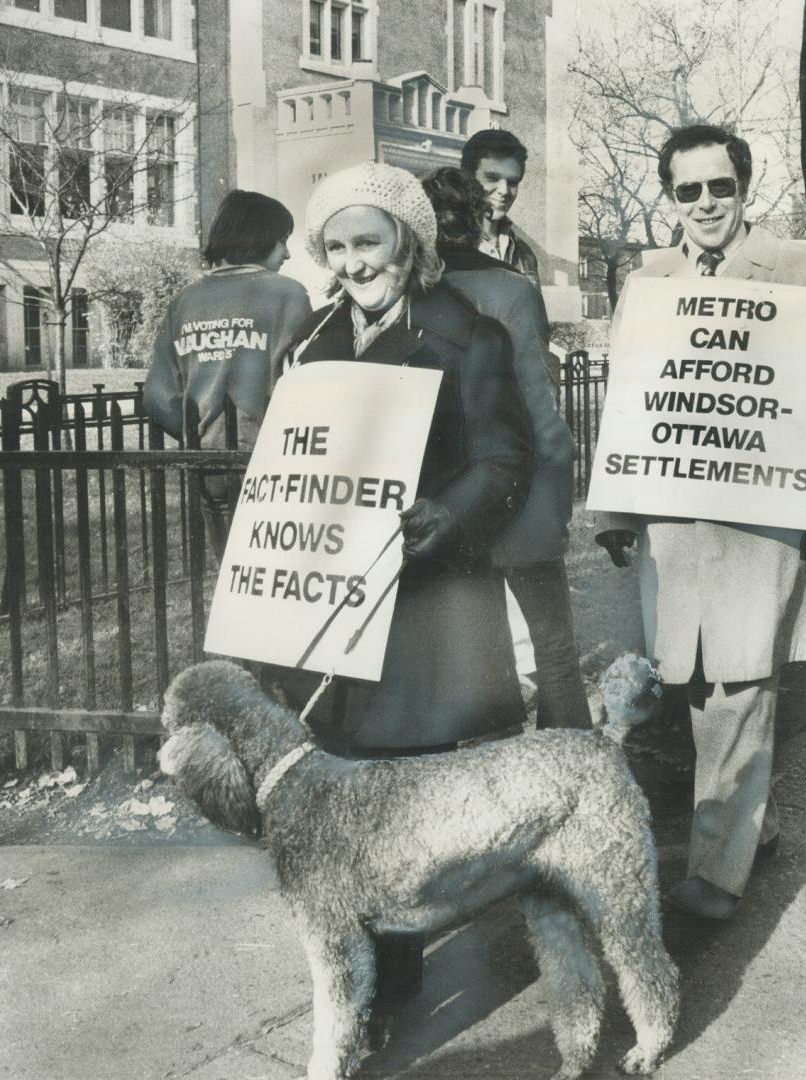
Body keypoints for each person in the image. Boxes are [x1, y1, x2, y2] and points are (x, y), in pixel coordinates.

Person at [595, 124, 806, 921]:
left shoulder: (799, 268)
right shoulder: (648, 281)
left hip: (765, 511)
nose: (706, 203)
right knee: (691, 676)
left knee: (742, 677)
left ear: (745, 188)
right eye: (689, 190)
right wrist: (615, 507)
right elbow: (627, 397)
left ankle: (715, 875)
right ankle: (757, 823)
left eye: (721, 186)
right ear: (670, 198)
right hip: (675, 516)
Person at [278, 161, 533, 1000]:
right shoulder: (308, 343)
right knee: (340, 787)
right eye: (337, 246)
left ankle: (391, 984)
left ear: (409, 244)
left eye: (370, 242)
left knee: (399, 797)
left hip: (423, 602)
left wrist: (447, 515)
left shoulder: (472, 336)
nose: (353, 263)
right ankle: (355, 966)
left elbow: (504, 460)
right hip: (328, 605)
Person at [421, 166, 591, 730]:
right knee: (554, 650)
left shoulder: (411, 294)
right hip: (523, 489)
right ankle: (572, 778)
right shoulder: (512, 290)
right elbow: (539, 405)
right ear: (479, 220)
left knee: (473, 658)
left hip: (446, 493)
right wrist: (560, 484)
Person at [144, 189, 312, 557]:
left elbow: (156, 395)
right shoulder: (288, 294)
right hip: (276, 463)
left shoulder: (184, 301)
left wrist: (198, 431)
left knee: (230, 576)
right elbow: (309, 379)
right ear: (261, 238)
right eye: (283, 240)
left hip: (209, 465)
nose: (288, 252)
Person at [461, 129, 540, 288]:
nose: (504, 190)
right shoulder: (443, 243)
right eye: (492, 178)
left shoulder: (524, 254)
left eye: (512, 182)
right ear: (467, 178)